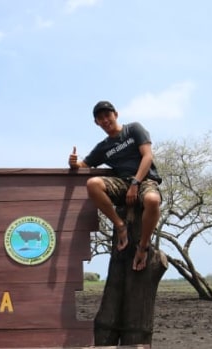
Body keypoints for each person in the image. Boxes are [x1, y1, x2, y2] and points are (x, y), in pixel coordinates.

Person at [68, 100, 162, 271]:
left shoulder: (133, 129)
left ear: (115, 115)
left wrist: (135, 183)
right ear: (96, 123)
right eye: (100, 118)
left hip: (144, 180)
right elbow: (84, 165)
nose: (105, 120)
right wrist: (74, 164)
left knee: (152, 200)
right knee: (93, 184)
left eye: (107, 115)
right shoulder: (103, 148)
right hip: (122, 184)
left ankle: (143, 247)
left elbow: (147, 156)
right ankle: (120, 226)